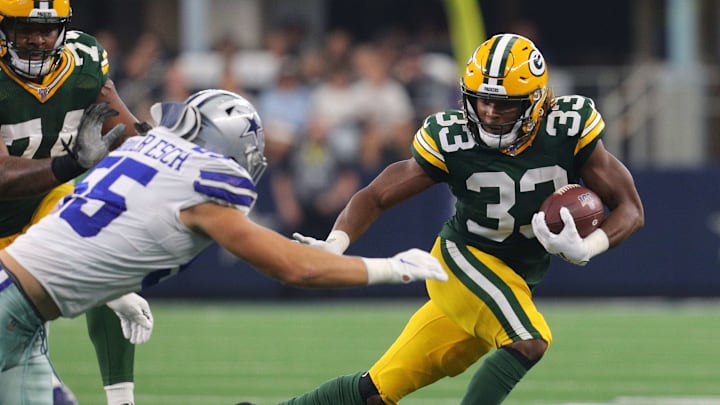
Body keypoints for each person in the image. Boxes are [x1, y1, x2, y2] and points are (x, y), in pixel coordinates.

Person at [0, 89, 448, 405]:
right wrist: (392, 268)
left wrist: (111, 290)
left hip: (18, 306)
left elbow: (79, 231)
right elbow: (295, 268)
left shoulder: (142, 148)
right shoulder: (203, 185)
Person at [284, 33, 644, 404]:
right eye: (481, 100)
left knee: (376, 392)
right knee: (530, 340)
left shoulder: (567, 128)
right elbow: (375, 195)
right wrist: (335, 243)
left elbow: (630, 207)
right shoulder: (453, 137)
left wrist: (589, 245)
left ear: (536, 102)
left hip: (510, 279)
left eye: (503, 104)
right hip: (463, 260)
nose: (488, 112)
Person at [0, 1, 151, 404]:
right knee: (13, 365)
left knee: (104, 226)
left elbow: (125, 135)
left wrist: (164, 152)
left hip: (39, 206)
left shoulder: (83, 63)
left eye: (47, 29)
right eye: (23, 28)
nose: (36, 39)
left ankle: (121, 398)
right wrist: (71, 163)